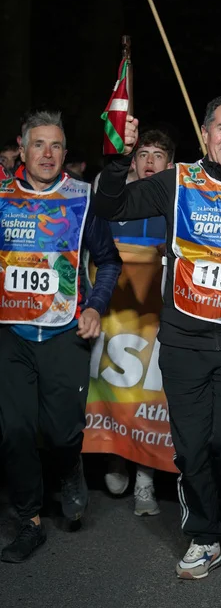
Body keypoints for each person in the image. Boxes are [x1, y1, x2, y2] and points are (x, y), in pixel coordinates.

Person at [95, 95, 221, 579]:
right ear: (205, 133)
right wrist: (120, 158)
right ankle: (205, 537)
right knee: (191, 449)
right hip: (184, 342)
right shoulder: (178, 182)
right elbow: (111, 205)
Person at [0, 110, 124, 563]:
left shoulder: (82, 199)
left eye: (56, 146)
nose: (47, 154)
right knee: (14, 430)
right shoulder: (2, 197)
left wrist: (94, 306)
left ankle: (70, 466)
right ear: (22, 149)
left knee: (61, 432)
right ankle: (29, 520)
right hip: (11, 334)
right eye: (39, 144)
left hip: (64, 331)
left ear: (65, 153)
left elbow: (109, 260)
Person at [104, 128, 175, 515]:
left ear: (170, 164)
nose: (150, 161)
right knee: (119, 390)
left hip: (159, 321)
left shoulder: (178, 207)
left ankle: (145, 480)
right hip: (118, 320)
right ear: (133, 161)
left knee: (152, 398)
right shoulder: (120, 203)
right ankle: (117, 455)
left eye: (158, 155)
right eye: (144, 154)